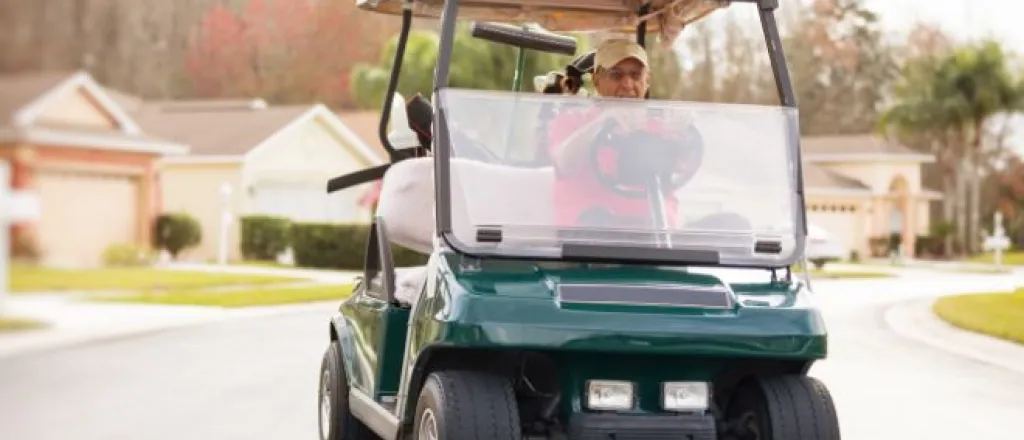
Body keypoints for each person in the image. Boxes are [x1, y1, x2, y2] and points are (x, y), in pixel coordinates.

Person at [546, 38, 698, 230]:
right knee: (596, 222)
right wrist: (604, 121)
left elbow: (684, 167)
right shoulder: (573, 121)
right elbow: (564, 163)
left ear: (647, 81)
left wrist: (684, 133)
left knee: (734, 224)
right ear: (597, 81)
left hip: (657, 239)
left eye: (635, 75)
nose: (627, 84)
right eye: (616, 75)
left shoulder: (661, 126)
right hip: (590, 242)